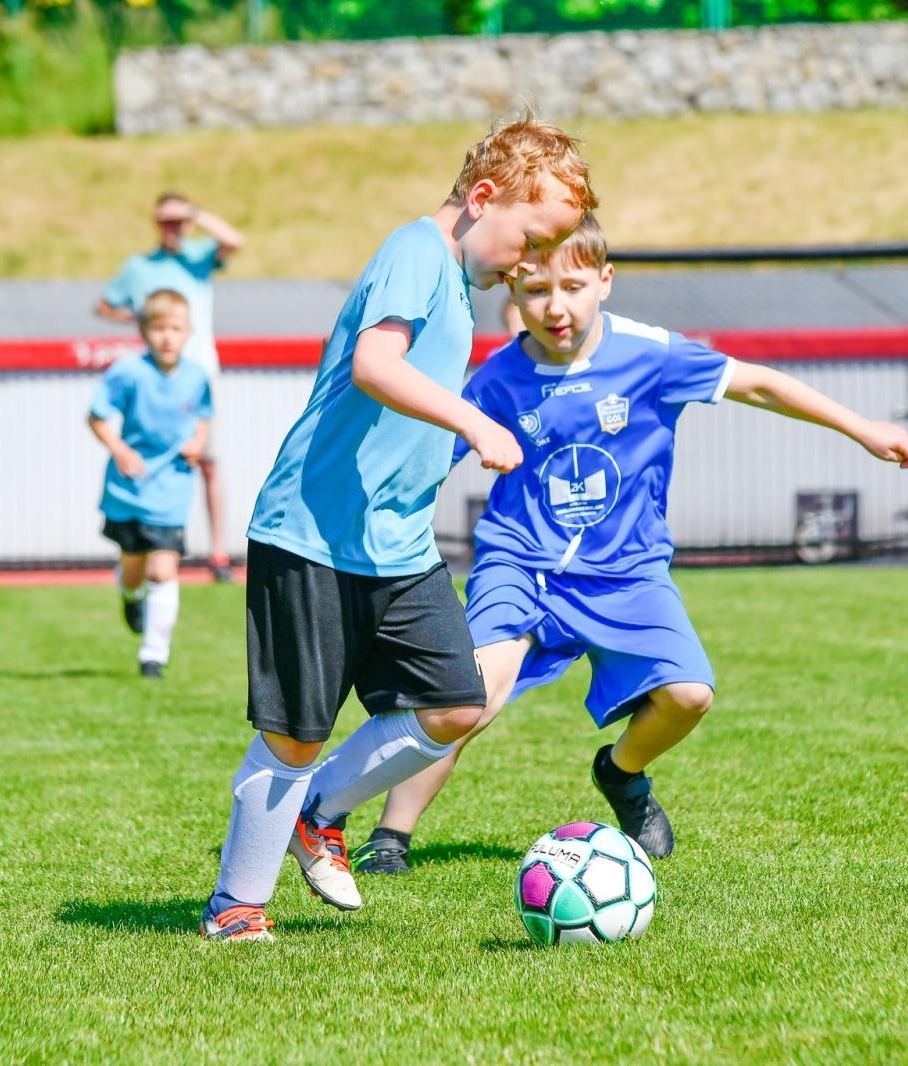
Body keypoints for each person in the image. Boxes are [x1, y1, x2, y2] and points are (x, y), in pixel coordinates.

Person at [351, 215, 908, 874]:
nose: (555, 306)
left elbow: (758, 383)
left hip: (627, 572)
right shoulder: (498, 379)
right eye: (535, 291)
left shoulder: (651, 355)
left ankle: (621, 774)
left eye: (572, 286)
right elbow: (430, 455)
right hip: (521, 561)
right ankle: (390, 837)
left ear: (605, 281)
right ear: (511, 293)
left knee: (689, 697)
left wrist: (862, 428)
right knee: (471, 694)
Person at [198, 118, 597, 943]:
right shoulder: (418, 250)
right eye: (528, 241)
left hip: (398, 546)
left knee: (456, 706)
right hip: (312, 533)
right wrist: (477, 427)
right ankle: (235, 905)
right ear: (483, 198)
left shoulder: (453, 286)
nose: (527, 264)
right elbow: (374, 367)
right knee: (294, 734)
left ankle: (318, 814)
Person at [96, 192, 244, 582]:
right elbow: (105, 306)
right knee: (148, 459)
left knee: (205, 460)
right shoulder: (140, 267)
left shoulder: (198, 258)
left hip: (198, 375)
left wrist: (195, 214)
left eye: (179, 221)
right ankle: (141, 545)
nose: (173, 228)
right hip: (155, 378)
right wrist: (147, 322)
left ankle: (216, 552)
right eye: (166, 221)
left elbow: (235, 241)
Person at [88, 289, 212, 680]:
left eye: (175, 328)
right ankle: (129, 595)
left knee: (162, 570)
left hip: (171, 489)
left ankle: (153, 656)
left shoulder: (197, 377)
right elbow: (97, 416)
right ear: (143, 331)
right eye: (158, 329)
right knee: (135, 568)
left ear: (188, 331)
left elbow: (203, 416)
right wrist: (119, 449)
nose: (167, 337)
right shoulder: (127, 373)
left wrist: (199, 442)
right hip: (129, 487)